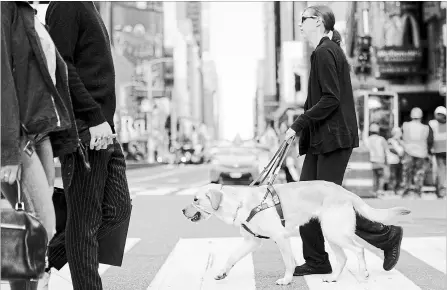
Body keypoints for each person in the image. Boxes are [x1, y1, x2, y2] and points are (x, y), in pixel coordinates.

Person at [284, 5, 404, 277]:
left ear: (317, 21)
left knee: (330, 203)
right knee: (306, 201)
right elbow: (319, 99)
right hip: (321, 139)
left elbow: (331, 98)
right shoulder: (322, 52)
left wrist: (298, 124)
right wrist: (302, 124)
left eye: (303, 19)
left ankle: (386, 236)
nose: (300, 24)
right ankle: (316, 260)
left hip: (334, 138)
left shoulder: (326, 51)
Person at [45, 2, 132, 290]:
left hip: (104, 129)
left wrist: (103, 121)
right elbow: (60, 66)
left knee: (117, 210)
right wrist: (93, 118)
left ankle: (45, 256)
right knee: (84, 226)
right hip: (86, 128)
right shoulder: (66, 4)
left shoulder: (88, 4)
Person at [1, 2, 81, 289]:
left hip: (39, 134)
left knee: (36, 227)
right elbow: (2, 80)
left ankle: (35, 279)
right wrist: (7, 148)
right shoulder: (5, 9)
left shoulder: (31, 14)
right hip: (18, 135)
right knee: (34, 224)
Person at [401, 107, 433, 197]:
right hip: (421, 153)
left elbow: (398, 136)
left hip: (408, 151)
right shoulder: (425, 128)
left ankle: (406, 191)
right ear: (421, 116)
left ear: (411, 115)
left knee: (407, 172)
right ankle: (418, 191)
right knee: (419, 172)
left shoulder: (405, 125)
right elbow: (429, 141)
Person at [429, 106, 446, 198]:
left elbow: (430, 138)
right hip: (440, 150)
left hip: (438, 150)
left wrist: (429, 149)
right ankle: (442, 190)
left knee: (440, 171)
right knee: (442, 171)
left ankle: (441, 191)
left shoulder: (432, 124)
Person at [366, 123, 389, 195]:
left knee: (373, 177)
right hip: (380, 161)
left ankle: (373, 190)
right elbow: (386, 151)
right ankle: (380, 190)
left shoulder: (367, 140)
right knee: (381, 176)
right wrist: (386, 162)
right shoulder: (381, 139)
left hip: (370, 161)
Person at [387, 127, 405, 194]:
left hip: (400, 162)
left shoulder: (401, 142)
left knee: (399, 176)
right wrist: (400, 154)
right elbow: (391, 149)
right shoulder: (390, 141)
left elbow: (406, 149)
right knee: (393, 176)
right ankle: (391, 190)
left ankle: (398, 190)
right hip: (393, 161)